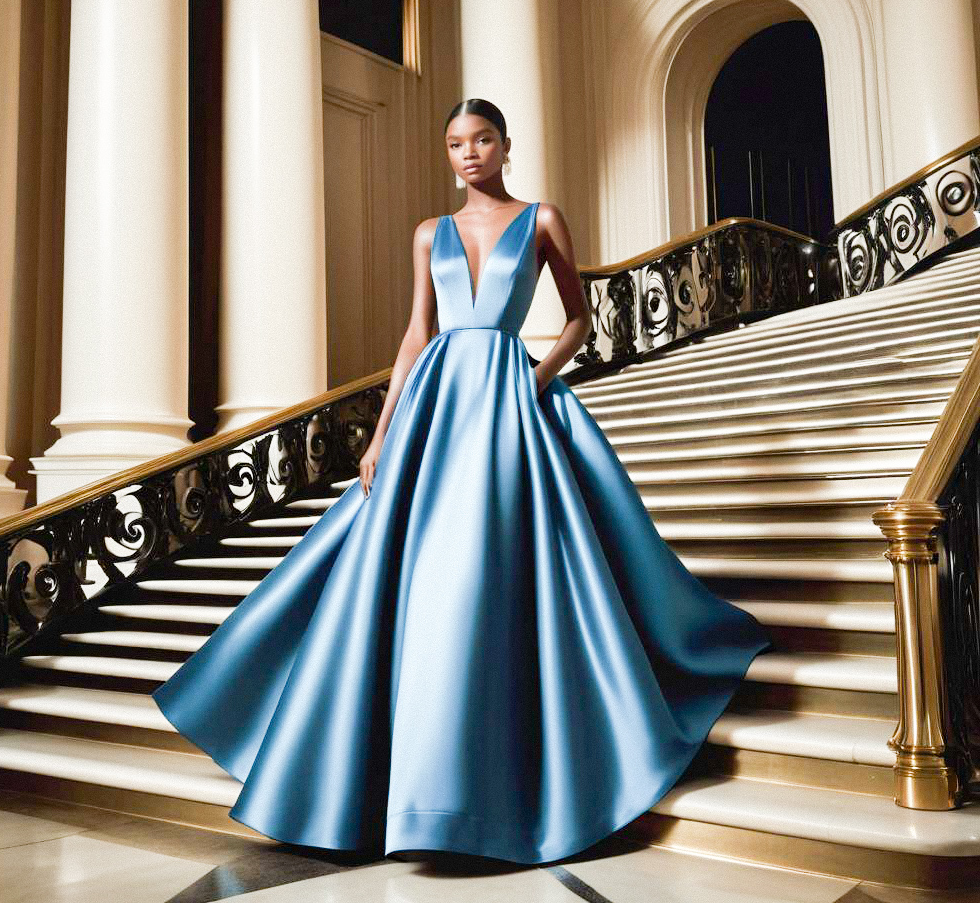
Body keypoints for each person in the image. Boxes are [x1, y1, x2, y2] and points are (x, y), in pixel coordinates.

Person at [152, 98, 771, 866]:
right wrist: (381, 435)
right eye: (455, 144)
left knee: (501, 566)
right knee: (409, 567)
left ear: (506, 146)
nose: (468, 154)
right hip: (440, 402)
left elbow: (579, 318)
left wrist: (537, 380)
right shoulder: (428, 233)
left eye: (481, 140)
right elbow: (418, 333)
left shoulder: (543, 219)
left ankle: (496, 763)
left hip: (509, 397)